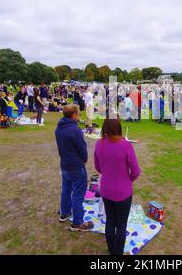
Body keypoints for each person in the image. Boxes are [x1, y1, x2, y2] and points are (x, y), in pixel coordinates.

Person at [94, 118, 141, 255]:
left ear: (104, 129)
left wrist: (110, 174)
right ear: (119, 129)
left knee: (110, 220)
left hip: (106, 189)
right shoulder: (125, 145)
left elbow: (98, 167)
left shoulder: (99, 144)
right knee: (121, 224)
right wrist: (127, 180)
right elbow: (136, 171)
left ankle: (112, 251)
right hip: (123, 192)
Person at [55, 104, 94, 232]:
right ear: (74, 115)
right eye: (78, 114)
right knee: (78, 194)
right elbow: (82, 148)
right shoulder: (74, 130)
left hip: (65, 164)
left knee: (66, 189)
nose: (79, 116)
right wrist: (84, 159)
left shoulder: (59, 128)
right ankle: (77, 222)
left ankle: (64, 212)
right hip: (76, 166)